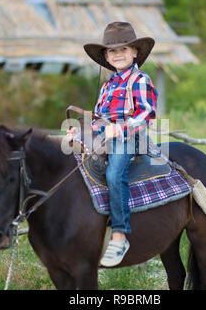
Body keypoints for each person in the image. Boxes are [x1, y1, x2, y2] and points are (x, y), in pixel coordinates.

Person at [67, 21, 158, 267]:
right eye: (112, 51)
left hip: (130, 136)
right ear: (106, 56)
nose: (117, 55)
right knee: (75, 162)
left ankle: (120, 234)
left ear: (135, 52)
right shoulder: (108, 85)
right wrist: (81, 131)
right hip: (107, 134)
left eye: (123, 49)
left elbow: (146, 113)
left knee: (115, 173)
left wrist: (121, 127)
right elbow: (99, 118)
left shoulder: (139, 79)